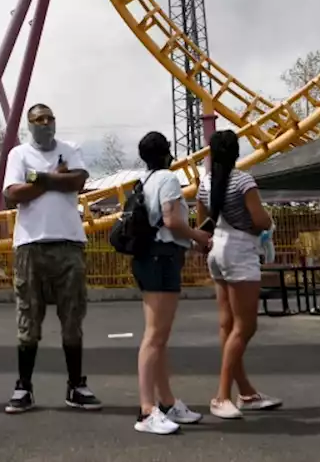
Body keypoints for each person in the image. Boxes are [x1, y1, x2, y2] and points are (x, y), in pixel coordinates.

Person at [1, 103, 101, 414]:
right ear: (29, 125)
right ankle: (23, 387)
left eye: (49, 118)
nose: (45, 124)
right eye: (38, 120)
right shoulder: (18, 154)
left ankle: (76, 384)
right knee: (28, 317)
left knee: (73, 317)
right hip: (30, 245)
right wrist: (52, 177)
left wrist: (37, 180)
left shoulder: (71, 149)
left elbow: (78, 181)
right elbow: (12, 194)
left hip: (69, 242)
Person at [194, 129, 279, 419]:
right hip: (240, 250)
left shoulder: (205, 183)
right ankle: (221, 396)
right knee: (245, 326)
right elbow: (259, 219)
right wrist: (268, 222)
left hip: (216, 248)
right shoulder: (243, 180)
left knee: (228, 325)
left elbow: (201, 221)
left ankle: (246, 392)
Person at [132, 131, 212, 435]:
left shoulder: (145, 180)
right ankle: (146, 409)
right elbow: (171, 221)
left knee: (159, 336)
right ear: (167, 153)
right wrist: (198, 236)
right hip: (160, 259)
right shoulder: (167, 179)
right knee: (154, 336)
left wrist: (189, 244)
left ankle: (165, 402)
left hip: (151, 256)